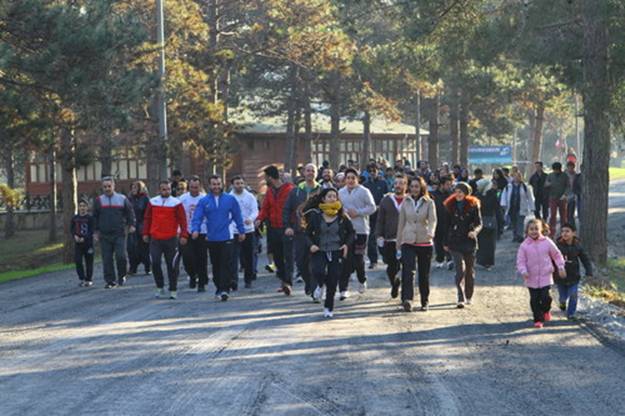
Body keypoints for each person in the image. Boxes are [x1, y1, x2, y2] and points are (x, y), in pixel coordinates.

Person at [192, 175, 246, 302]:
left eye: (218, 184)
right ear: (209, 186)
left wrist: (241, 230)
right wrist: (195, 229)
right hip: (212, 238)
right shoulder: (204, 201)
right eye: (213, 184)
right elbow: (197, 217)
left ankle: (224, 289)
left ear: (222, 185)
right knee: (216, 265)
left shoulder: (230, 199)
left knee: (225, 263)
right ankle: (218, 287)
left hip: (227, 236)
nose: (216, 187)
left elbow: (237, 215)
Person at [304, 188, 355, 317]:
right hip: (319, 250)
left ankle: (328, 308)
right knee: (318, 271)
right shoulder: (316, 216)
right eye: (329, 196)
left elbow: (351, 232)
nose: (333, 198)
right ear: (323, 199)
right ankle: (320, 285)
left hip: (336, 250)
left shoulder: (342, 216)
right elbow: (307, 234)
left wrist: (346, 245)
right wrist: (311, 245)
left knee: (333, 280)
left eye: (335, 196)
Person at [396, 176, 437, 312]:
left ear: (421, 188)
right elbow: (401, 223)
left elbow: (432, 220)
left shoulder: (429, 202)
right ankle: (408, 299)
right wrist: (398, 242)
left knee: (423, 274)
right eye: (412, 186)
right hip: (408, 240)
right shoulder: (405, 202)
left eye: (417, 187)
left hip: (424, 241)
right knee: (408, 271)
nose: (414, 189)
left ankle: (425, 301)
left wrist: (431, 232)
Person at [516, 219, 566, 328]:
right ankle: (538, 320)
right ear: (527, 231)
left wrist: (560, 266)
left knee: (546, 297)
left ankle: (546, 310)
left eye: (536, 229)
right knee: (534, 300)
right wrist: (523, 271)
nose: (534, 231)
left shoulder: (547, 242)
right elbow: (520, 261)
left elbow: (557, 255)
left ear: (541, 230)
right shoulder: (524, 246)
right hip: (531, 278)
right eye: (531, 229)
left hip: (546, 276)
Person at [143, 181, 189, 299]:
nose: (166, 192)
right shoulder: (153, 202)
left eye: (168, 189)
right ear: (159, 190)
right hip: (155, 239)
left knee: (172, 265)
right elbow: (147, 218)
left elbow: (183, 220)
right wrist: (145, 233)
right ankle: (160, 286)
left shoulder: (176, 203)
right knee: (155, 262)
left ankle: (173, 289)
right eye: (163, 189)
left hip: (171, 238)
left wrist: (184, 235)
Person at [255, 165, 295, 295]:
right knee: (277, 257)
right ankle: (283, 280)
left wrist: (292, 225)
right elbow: (265, 208)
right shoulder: (270, 191)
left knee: (288, 256)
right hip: (273, 228)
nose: (265, 180)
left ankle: (288, 282)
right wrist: (259, 219)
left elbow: (294, 209)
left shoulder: (290, 189)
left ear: (270, 177)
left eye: (266, 177)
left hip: (286, 228)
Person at [283, 163, 321, 297]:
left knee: (315, 262)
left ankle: (315, 287)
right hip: (300, 231)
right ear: (304, 173)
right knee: (301, 261)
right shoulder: (295, 191)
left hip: (317, 232)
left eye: (313, 171)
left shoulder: (321, 190)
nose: (310, 173)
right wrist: (287, 226)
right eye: (308, 170)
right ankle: (309, 283)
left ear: (316, 173)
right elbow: (287, 209)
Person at [338, 168, 377, 299]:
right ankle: (343, 288)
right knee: (345, 259)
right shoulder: (340, 192)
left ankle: (362, 279)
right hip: (345, 231)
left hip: (361, 229)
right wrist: (343, 213)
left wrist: (358, 212)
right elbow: (337, 207)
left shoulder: (364, 191)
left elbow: (372, 207)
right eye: (348, 178)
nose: (350, 180)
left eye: (352, 178)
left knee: (358, 258)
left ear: (357, 179)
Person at [443, 182, 482, 308]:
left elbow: (479, 223)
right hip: (454, 241)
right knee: (460, 269)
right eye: (456, 191)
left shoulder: (473, 205)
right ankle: (460, 297)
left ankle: (468, 295)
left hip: (469, 241)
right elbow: (445, 225)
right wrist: (444, 242)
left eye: (461, 192)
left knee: (469, 270)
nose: (458, 194)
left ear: (466, 193)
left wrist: (474, 231)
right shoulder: (449, 205)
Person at [93, 177, 136, 288]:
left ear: (113, 186)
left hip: (119, 233)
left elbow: (130, 212)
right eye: (105, 187)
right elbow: (95, 217)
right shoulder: (99, 201)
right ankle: (110, 281)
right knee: (107, 258)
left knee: (121, 256)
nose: (107, 189)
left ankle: (122, 275)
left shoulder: (122, 199)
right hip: (104, 234)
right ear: (102, 188)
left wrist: (132, 225)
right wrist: (95, 232)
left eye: (109, 186)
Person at [375, 174, 407, 299]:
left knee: (407, 266)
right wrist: (379, 235)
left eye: (401, 183)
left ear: (406, 185)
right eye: (396, 183)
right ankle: (394, 283)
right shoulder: (386, 200)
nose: (398, 186)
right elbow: (380, 220)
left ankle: (406, 294)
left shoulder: (409, 200)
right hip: (389, 239)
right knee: (391, 266)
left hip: (406, 239)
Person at [554, 223, 593, 320]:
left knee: (573, 294)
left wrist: (589, 271)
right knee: (563, 297)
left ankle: (571, 314)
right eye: (562, 231)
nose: (564, 233)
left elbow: (585, 259)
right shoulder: (557, 246)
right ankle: (562, 302)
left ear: (573, 233)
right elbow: (551, 258)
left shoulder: (578, 246)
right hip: (560, 277)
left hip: (574, 276)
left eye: (567, 231)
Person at [179, 176, 209, 291]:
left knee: (201, 258)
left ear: (200, 187)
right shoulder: (182, 199)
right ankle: (192, 275)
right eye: (192, 187)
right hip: (187, 231)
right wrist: (181, 232)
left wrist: (207, 231)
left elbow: (208, 217)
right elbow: (179, 217)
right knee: (187, 257)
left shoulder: (205, 199)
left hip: (202, 231)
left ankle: (201, 283)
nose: (194, 190)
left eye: (196, 187)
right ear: (188, 187)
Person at [230, 175, 259, 289]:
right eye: (237, 183)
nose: (240, 186)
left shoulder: (250, 196)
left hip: (248, 230)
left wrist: (251, 219)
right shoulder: (229, 197)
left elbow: (255, 210)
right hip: (234, 230)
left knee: (249, 256)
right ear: (232, 185)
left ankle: (248, 279)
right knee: (233, 257)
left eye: (241, 183)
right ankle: (234, 280)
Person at [363, 165, 389, 269]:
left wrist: (381, 206)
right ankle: (373, 260)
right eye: (370, 171)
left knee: (383, 236)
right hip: (370, 215)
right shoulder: (365, 185)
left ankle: (386, 257)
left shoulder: (383, 183)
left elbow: (387, 196)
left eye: (374, 171)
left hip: (382, 214)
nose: (372, 173)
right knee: (371, 238)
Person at [501, 171, 535, 243]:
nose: (516, 178)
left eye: (518, 176)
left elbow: (530, 197)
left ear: (521, 177)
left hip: (521, 207)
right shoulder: (508, 187)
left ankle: (520, 236)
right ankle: (515, 236)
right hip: (512, 208)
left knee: (520, 222)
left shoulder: (525, 187)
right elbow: (504, 196)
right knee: (514, 222)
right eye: (515, 176)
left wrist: (532, 207)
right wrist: (503, 205)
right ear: (512, 177)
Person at [476, 179, 503, 270]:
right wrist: (501, 223)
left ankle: (481, 260)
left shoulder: (477, 196)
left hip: (479, 222)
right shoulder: (493, 195)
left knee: (481, 243)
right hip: (491, 221)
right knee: (490, 244)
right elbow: (498, 210)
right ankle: (488, 262)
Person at [127, 181, 151, 276]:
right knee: (131, 248)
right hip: (132, 226)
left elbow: (148, 213)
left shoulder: (145, 198)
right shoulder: (129, 199)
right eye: (132, 187)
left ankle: (147, 266)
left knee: (144, 247)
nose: (133, 190)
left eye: (135, 188)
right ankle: (133, 267)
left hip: (142, 225)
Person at [72, 199, 95, 287]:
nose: (82, 208)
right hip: (78, 244)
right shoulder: (75, 218)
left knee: (89, 261)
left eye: (84, 206)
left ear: (87, 207)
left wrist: (84, 238)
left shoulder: (90, 218)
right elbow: (72, 229)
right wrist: (75, 236)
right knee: (78, 260)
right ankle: (81, 278)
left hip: (88, 244)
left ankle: (89, 279)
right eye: (80, 206)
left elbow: (91, 230)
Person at [431, 176, 453, 269]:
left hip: (448, 221)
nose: (449, 186)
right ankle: (439, 259)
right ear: (441, 185)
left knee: (448, 240)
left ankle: (449, 260)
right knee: (438, 241)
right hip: (437, 221)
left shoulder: (451, 195)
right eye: (447, 184)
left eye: (450, 184)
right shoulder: (432, 195)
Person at [545, 162, 569, 237]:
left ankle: (564, 232)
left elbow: (568, 186)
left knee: (563, 216)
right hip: (553, 197)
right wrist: (547, 185)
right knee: (553, 215)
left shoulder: (565, 176)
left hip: (562, 198)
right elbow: (545, 184)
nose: (556, 171)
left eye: (557, 170)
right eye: (554, 170)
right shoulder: (550, 175)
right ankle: (551, 232)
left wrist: (565, 194)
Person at [565, 161, 582, 226]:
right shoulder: (564, 175)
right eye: (569, 167)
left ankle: (572, 227)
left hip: (573, 196)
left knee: (571, 213)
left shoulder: (576, 176)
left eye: (572, 167)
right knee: (565, 214)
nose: (570, 169)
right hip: (565, 196)